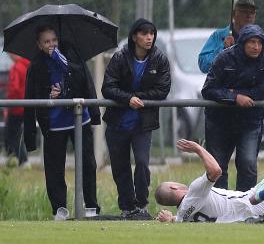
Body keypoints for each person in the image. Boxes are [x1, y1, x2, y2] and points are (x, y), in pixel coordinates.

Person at [23, 26, 102, 220]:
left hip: (78, 119)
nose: (51, 44)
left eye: (54, 40)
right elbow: (31, 97)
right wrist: (49, 94)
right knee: (54, 167)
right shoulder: (36, 66)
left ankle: (91, 205)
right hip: (54, 124)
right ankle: (59, 208)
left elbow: (85, 82)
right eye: (47, 41)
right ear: (39, 45)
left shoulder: (71, 55)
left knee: (87, 164)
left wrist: (93, 113)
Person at [102, 18, 172, 220]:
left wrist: (138, 97)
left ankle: (141, 205)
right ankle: (127, 207)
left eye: (151, 33)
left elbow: (162, 90)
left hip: (143, 124)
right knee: (120, 167)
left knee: (142, 164)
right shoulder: (120, 57)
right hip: (117, 123)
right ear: (134, 37)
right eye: (144, 33)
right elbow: (107, 87)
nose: (149, 37)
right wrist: (127, 99)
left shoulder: (159, 59)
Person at [201, 24, 264, 191]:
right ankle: (218, 208)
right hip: (219, 121)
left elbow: (262, 90)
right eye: (251, 42)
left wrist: (232, 93)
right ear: (242, 42)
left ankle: (244, 206)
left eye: (259, 42)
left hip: (251, 120)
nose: (256, 46)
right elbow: (208, 90)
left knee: (248, 164)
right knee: (218, 167)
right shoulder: (224, 57)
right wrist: (235, 97)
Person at [155, 139, 264, 223]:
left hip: (249, 216)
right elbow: (216, 171)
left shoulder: (182, 216)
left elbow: (179, 218)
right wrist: (198, 149)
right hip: (254, 202)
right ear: (174, 187)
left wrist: (170, 219)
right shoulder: (194, 190)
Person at [198, 0, 264, 73]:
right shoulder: (219, 35)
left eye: (252, 12)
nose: (249, 15)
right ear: (233, 14)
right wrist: (222, 49)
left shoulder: (259, 38)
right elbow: (203, 65)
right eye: (244, 11)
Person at [4, 54, 29, 167]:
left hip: (15, 107)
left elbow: (14, 89)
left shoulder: (16, 68)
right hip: (26, 106)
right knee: (18, 135)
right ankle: (23, 161)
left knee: (11, 135)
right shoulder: (28, 66)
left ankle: (14, 160)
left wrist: (8, 105)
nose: (9, 56)